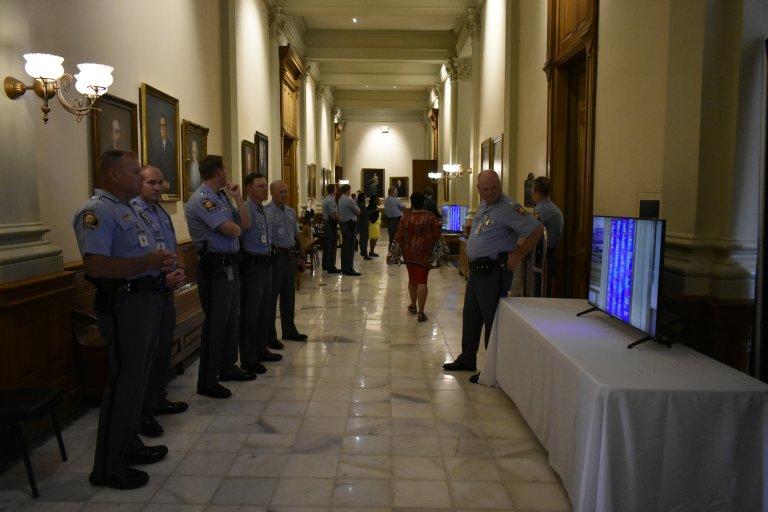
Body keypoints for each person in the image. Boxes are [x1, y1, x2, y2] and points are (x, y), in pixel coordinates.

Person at [73, 149, 175, 490]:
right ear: (114, 175)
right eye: (134, 172)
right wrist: (146, 263)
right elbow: (96, 265)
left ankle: (128, 444)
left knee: (139, 378)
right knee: (124, 382)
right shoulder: (97, 212)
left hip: (145, 298)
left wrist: (157, 264)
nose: (140, 177)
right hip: (123, 303)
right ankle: (108, 466)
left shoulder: (128, 209)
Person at [443, 170, 544, 383]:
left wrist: (517, 254)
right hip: (476, 272)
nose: (490, 192)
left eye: (494, 188)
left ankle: (492, 369)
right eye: (485, 189)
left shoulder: (509, 208)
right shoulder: (484, 205)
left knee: (493, 322)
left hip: (493, 273)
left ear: (500, 185)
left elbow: (536, 230)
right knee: (471, 318)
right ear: (478, 190)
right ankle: (467, 359)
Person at [186, 154, 255, 400]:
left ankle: (227, 366)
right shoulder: (202, 200)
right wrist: (235, 227)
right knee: (216, 325)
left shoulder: (222, 197)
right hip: (214, 269)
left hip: (230, 266)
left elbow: (245, 224)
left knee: (231, 321)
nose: (227, 173)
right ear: (218, 172)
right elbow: (232, 229)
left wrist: (237, 197)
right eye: (225, 168)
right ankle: (207, 380)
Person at [130, 166, 189, 440]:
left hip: (165, 288)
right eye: (150, 183)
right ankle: (141, 412)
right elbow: (136, 256)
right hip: (146, 291)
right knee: (147, 355)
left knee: (162, 347)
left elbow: (171, 245)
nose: (157, 187)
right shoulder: (133, 212)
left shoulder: (160, 211)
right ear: (138, 183)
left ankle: (157, 399)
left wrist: (179, 270)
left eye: (160, 182)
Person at [238, 173, 283, 375]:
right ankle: (248, 357)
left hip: (266, 263)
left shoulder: (263, 210)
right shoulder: (246, 209)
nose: (265, 189)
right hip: (253, 266)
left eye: (266, 185)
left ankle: (261, 348)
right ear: (249, 189)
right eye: (260, 186)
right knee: (251, 313)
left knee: (265, 310)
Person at [265, 181, 308, 346]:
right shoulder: (267, 212)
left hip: (290, 257)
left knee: (289, 296)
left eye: (286, 191)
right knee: (272, 297)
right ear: (272, 193)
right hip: (276, 258)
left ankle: (289, 330)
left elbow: (297, 235)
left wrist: (302, 255)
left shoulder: (290, 212)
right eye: (281, 192)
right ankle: (270, 335)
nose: (284, 194)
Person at [395, 191, 442, 322]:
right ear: (423, 202)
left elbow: (399, 235)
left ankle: (413, 305)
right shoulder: (430, 217)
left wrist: (393, 253)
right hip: (425, 253)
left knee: (412, 279)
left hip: (408, 253)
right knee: (422, 280)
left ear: (411, 202)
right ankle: (421, 312)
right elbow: (437, 234)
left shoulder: (406, 217)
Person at [532, 176, 564, 297]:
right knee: (545, 292)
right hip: (551, 255)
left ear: (535, 191)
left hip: (544, 256)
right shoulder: (554, 209)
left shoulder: (542, 210)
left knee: (539, 293)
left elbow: (531, 232)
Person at [338, 184, 361, 276]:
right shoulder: (348, 199)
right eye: (350, 190)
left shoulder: (340, 199)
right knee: (350, 247)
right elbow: (358, 211)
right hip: (350, 225)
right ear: (348, 190)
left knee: (345, 247)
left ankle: (344, 268)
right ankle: (349, 269)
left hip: (344, 224)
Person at [150, 115, 175, 192]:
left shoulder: (172, 147)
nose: (163, 128)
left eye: (164, 125)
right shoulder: (155, 146)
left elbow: (173, 170)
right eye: (161, 126)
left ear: (167, 127)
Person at [322, 184, 341, 273]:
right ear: (333, 190)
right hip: (331, 224)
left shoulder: (326, 199)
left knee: (327, 246)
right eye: (336, 189)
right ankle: (331, 266)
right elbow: (333, 215)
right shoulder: (330, 200)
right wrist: (342, 219)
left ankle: (326, 265)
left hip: (328, 224)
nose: (336, 190)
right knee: (332, 246)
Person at [357, 192, 371, 260]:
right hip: (364, 223)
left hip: (360, 223)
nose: (365, 198)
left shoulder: (358, 203)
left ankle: (362, 251)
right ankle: (365, 254)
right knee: (365, 239)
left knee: (362, 238)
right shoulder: (362, 205)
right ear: (362, 197)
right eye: (364, 197)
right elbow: (365, 214)